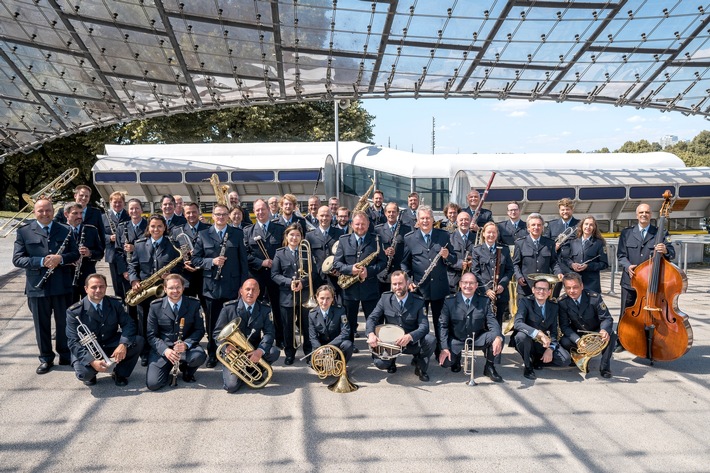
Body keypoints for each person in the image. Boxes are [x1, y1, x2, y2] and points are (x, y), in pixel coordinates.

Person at [13, 198, 80, 374]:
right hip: (37, 287)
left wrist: (61, 259)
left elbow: (74, 254)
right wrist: (42, 261)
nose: (45, 214)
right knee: (41, 324)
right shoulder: (24, 232)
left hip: (62, 286)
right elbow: (18, 259)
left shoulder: (65, 230)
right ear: (35, 212)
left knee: (63, 323)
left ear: (53, 211)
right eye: (41, 211)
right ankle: (46, 358)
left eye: (48, 210)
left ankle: (65, 355)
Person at [191, 203, 249, 367]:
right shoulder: (203, 234)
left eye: (224, 214)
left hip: (232, 287)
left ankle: (233, 353)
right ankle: (213, 354)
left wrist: (242, 286)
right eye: (218, 214)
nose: (221, 217)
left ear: (228, 216)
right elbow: (195, 260)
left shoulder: (237, 234)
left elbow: (243, 263)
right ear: (213, 216)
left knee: (233, 323)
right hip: (211, 288)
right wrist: (212, 261)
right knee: (212, 324)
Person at [66, 274, 143, 386]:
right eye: (94, 287)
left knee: (138, 341)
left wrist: (123, 344)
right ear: (86, 289)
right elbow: (73, 342)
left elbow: (128, 324)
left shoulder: (114, 303)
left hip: (110, 343)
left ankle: (120, 373)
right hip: (88, 349)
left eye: (102, 287)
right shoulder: (74, 311)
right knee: (85, 374)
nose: (98, 290)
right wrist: (91, 361)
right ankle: (91, 374)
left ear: (106, 287)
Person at [616, 203, 675, 352]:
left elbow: (672, 254)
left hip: (651, 283)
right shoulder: (627, 233)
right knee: (626, 311)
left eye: (647, 212)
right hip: (630, 280)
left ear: (651, 215)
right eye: (641, 212)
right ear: (637, 215)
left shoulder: (661, 233)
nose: (644, 214)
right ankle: (621, 340)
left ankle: (647, 339)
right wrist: (627, 265)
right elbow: (621, 255)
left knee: (651, 314)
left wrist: (666, 249)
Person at [128, 214, 183, 365]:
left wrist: (171, 275)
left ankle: (162, 349)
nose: (156, 229)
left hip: (164, 291)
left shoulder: (172, 245)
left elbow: (179, 267)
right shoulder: (139, 244)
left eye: (159, 226)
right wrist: (134, 281)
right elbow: (133, 266)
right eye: (152, 226)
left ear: (164, 227)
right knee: (144, 323)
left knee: (163, 322)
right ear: (148, 228)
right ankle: (145, 352)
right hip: (144, 291)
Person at [401, 205, 456, 356]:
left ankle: (441, 350)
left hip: (439, 288)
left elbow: (454, 259)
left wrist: (447, 256)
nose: (425, 221)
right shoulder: (410, 238)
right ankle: (419, 353)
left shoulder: (443, 236)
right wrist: (409, 280)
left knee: (441, 322)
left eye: (428, 218)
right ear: (417, 221)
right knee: (418, 323)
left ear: (433, 220)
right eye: (422, 218)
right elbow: (404, 263)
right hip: (419, 289)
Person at [212, 278, 280, 393]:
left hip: (253, 349)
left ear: (258, 292)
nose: (250, 293)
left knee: (274, 352)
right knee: (231, 387)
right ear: (241, 291)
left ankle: (252, 371)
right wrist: (225, 347)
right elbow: (217, 333)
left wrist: (260, 351)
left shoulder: (265, 309)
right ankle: (245, 373)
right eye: (247, 289)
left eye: (254, 290)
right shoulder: (228, 308)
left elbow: (269, 333)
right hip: (233, 353)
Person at [366, 271, 435, 381]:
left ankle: (420, 365)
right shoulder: (385, 299)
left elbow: (424, 326)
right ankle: (391, 361)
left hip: (411, 343)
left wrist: (410, 336)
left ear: (407, 283)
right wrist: (371, 334)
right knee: (380, 363)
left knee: (430, 340)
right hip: (391, 343)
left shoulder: (418, 301)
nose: (397, 287)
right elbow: (372, 318)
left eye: (400, 283)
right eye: (394, 284)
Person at [333, 210, 386, 352]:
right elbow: (337, 264)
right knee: (348, 321)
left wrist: (369, 272)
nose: (360, 227)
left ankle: (376, 348)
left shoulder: (376, 239)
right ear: (352, 224)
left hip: (370, 288)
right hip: (350, 290)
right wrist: (351, 269)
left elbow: (383, 262)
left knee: (373, 319)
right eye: (357, 224)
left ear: (368, 224)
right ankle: (348, 348)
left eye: (363, 224)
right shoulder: (344, 240)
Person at [439, 272, 504, 382]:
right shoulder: (449, 301)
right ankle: (456, 358)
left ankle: (489, 366)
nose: (468, 286)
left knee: (498, 337)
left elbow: (492, 321)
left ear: (476, 285)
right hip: (456, 339)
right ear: (460, 284)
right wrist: (444, 347)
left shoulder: (484, 301)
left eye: (471, 283)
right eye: (465, 283)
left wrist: (498, 337)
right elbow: (443, 325)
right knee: (446, 363)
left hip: (477, 338)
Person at [146, 274, 206, 390]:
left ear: (183, 288)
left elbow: (199, 330)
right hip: (164, 350)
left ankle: (187, 370)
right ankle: (168, 365)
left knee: (199, 356)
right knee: (153, 384)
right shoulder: (155, 307)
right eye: (171, 288)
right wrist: (165, 351)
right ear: (165, 289)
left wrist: (186, 344)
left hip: (185, 349)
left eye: (178, 287)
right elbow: (151, 335)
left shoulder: (194, 304)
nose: (175, 291)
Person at [244, 199, 286, 346]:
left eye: (263, 209)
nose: (260, 212)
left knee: (278, 308)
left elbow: (285, 251)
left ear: (268, 210)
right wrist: (260, 262)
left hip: (276, 276)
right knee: (256, 309)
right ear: (254, 212)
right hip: (257, 276)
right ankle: (255, 340)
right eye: (257, 210)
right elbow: (245, 255)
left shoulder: (280, 229)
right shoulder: (248, 231)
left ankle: (280, 338)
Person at [558, 273, 615, 378]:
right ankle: (579, 357)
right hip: (578, 333)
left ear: (582, 286)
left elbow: (606, 318)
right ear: (564, 288)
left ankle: (605, 367)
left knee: (611, 334)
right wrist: (578, 340)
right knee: (564, 341)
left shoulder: (594, 297)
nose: (572, 291)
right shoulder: (562, 302)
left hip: (596, 330)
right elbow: (564, 326)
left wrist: (604, 330)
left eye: (575, 287)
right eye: (568, 288)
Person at [271, 224, 313, 364]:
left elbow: (312, 273)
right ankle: (290, 353)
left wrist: (303, 282)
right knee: (287, 326)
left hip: (304, 295)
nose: (294, 238)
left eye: (297, 235)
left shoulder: (306, 252)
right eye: (292, 235)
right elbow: (275, 275)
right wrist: (290, 282)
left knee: (306, 325)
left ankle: (308, 351)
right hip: (287, 296)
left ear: (301, 237)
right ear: (286, 236)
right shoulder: (280, 253)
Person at [513, 278, 571, 380]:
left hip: (544, 343)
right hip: (528, 341)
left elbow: (554, 331)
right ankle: (528, 365)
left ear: (549, 292)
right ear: (533, 290)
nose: (541, 292)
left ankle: (538, 361)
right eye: (538, 289)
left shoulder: (554, 306)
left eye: (545, 289)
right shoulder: (525, 302)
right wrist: (539, 333)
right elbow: (518, 324)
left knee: (565, 360)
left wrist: (550, 349)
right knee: (521, 336)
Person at [471, 222, 514, 328]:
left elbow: (510, 270)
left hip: (500, 293)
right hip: (483, 293)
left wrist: (502, 285)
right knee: (483, 322)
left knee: (498, 322)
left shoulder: (504, 249)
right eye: (489, 232)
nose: (491, 235)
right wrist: (486, 289)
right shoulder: (477, 250)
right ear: (484, 234)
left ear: (497, 234)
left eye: (494, 232)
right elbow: (475, 272)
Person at [512, 213, 562, 297]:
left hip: (544, 287)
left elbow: (554, 262)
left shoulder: (550, 243)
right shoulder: (520, 243)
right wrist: (519, 276)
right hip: (526, 286)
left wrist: (559, 273)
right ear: (528, 228)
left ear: (542, 227)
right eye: (533, 225)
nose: (536, 227)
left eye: (539, 225)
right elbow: (515, 264)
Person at [64, 202, 104, 302]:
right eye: (75, 213)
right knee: (70, 308)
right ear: (66, 214)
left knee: (89, 308)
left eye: (81, 213)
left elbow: (100, 253)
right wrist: (69, 260)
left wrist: (89, 253)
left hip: (87, 275)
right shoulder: (60, 231)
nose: (79, 216)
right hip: (67, 277)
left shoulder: (91, 230)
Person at [559, 216, 609, 293]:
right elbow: (565, 258)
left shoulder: (599, 243)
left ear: (594, 227)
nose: (588, 227)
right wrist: (572, 264)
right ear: (582, 226)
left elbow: (604, 264)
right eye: (586, 224)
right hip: (574, 281)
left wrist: (588, 266)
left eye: (591, 225)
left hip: (591, 283)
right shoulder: (572, 241)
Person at [115, 198, 147, 317]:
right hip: (127, 272)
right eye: (131, 208)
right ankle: (132, 329)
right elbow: (118, 251)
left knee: (144, 303)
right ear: (128, 211)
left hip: (145, 270)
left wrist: (135, 248)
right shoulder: (122, 227)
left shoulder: (148, 226)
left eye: (137, 208)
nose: (134, 211)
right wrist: (124, 270)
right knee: (130, 302)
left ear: (141, 210)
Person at [171, 201, 209, 299]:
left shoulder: (209, 229)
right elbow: (173, 254)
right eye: (188, 213)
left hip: (204, 276)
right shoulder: (177, 231)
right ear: (184, 214)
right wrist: (183, 264)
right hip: (186, 276)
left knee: (207, 309)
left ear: (198, 212)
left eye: (194, 212)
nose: (191, 215)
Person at [307, 285, 353, 362]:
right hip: (321, 347)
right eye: (322, 298)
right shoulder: (312, 314)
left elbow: (345, 332)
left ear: (332, 298)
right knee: (314, 364)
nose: (325, 302)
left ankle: (340, 366)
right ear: (317, 297)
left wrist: (329, 347)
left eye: (328, 298)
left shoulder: (340, 310)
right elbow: (313, 337)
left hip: (336, 344)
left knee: (348, 345)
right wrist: (320, 349)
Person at [374, 202, 411, 293]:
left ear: (398, 213)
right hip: (383, 274)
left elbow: (409, 250)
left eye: (394, 212)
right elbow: (374, 250)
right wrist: (384, 252)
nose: (391, 214)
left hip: (400, 272)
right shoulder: (378, 229)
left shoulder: (406, 229)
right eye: (389, 212)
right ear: (385, 213)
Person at [306, 205, 344, 291]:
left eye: (327, 215)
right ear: (317, 216)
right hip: (318, 278)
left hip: (336, 278)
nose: (324, 218)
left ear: (331, 217)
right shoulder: (309, 236)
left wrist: (339, 270)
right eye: (322, 215)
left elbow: (343, 254)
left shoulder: (340, 233)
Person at [102, 191, 130, 300]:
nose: (117, 204)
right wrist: (109, 238)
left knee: (128, 283)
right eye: (115, 202)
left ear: (124, 203)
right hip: (112, 255)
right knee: (117, 285)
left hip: (127, 254)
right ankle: (119, 307)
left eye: (120, 202)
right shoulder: (104, 217)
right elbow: (99, 235)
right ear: (110, 203)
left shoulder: (129, 215)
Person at [446, 211, 475, 293]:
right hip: (453, 281)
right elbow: (445, 258)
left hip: (471, 281)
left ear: (470, 221)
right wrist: (459, 264)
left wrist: (473, 262)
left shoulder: (476, 237)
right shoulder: (449, 238)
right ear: (457, 222)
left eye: (466, 220)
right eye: (461, 220)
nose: (464, 222)